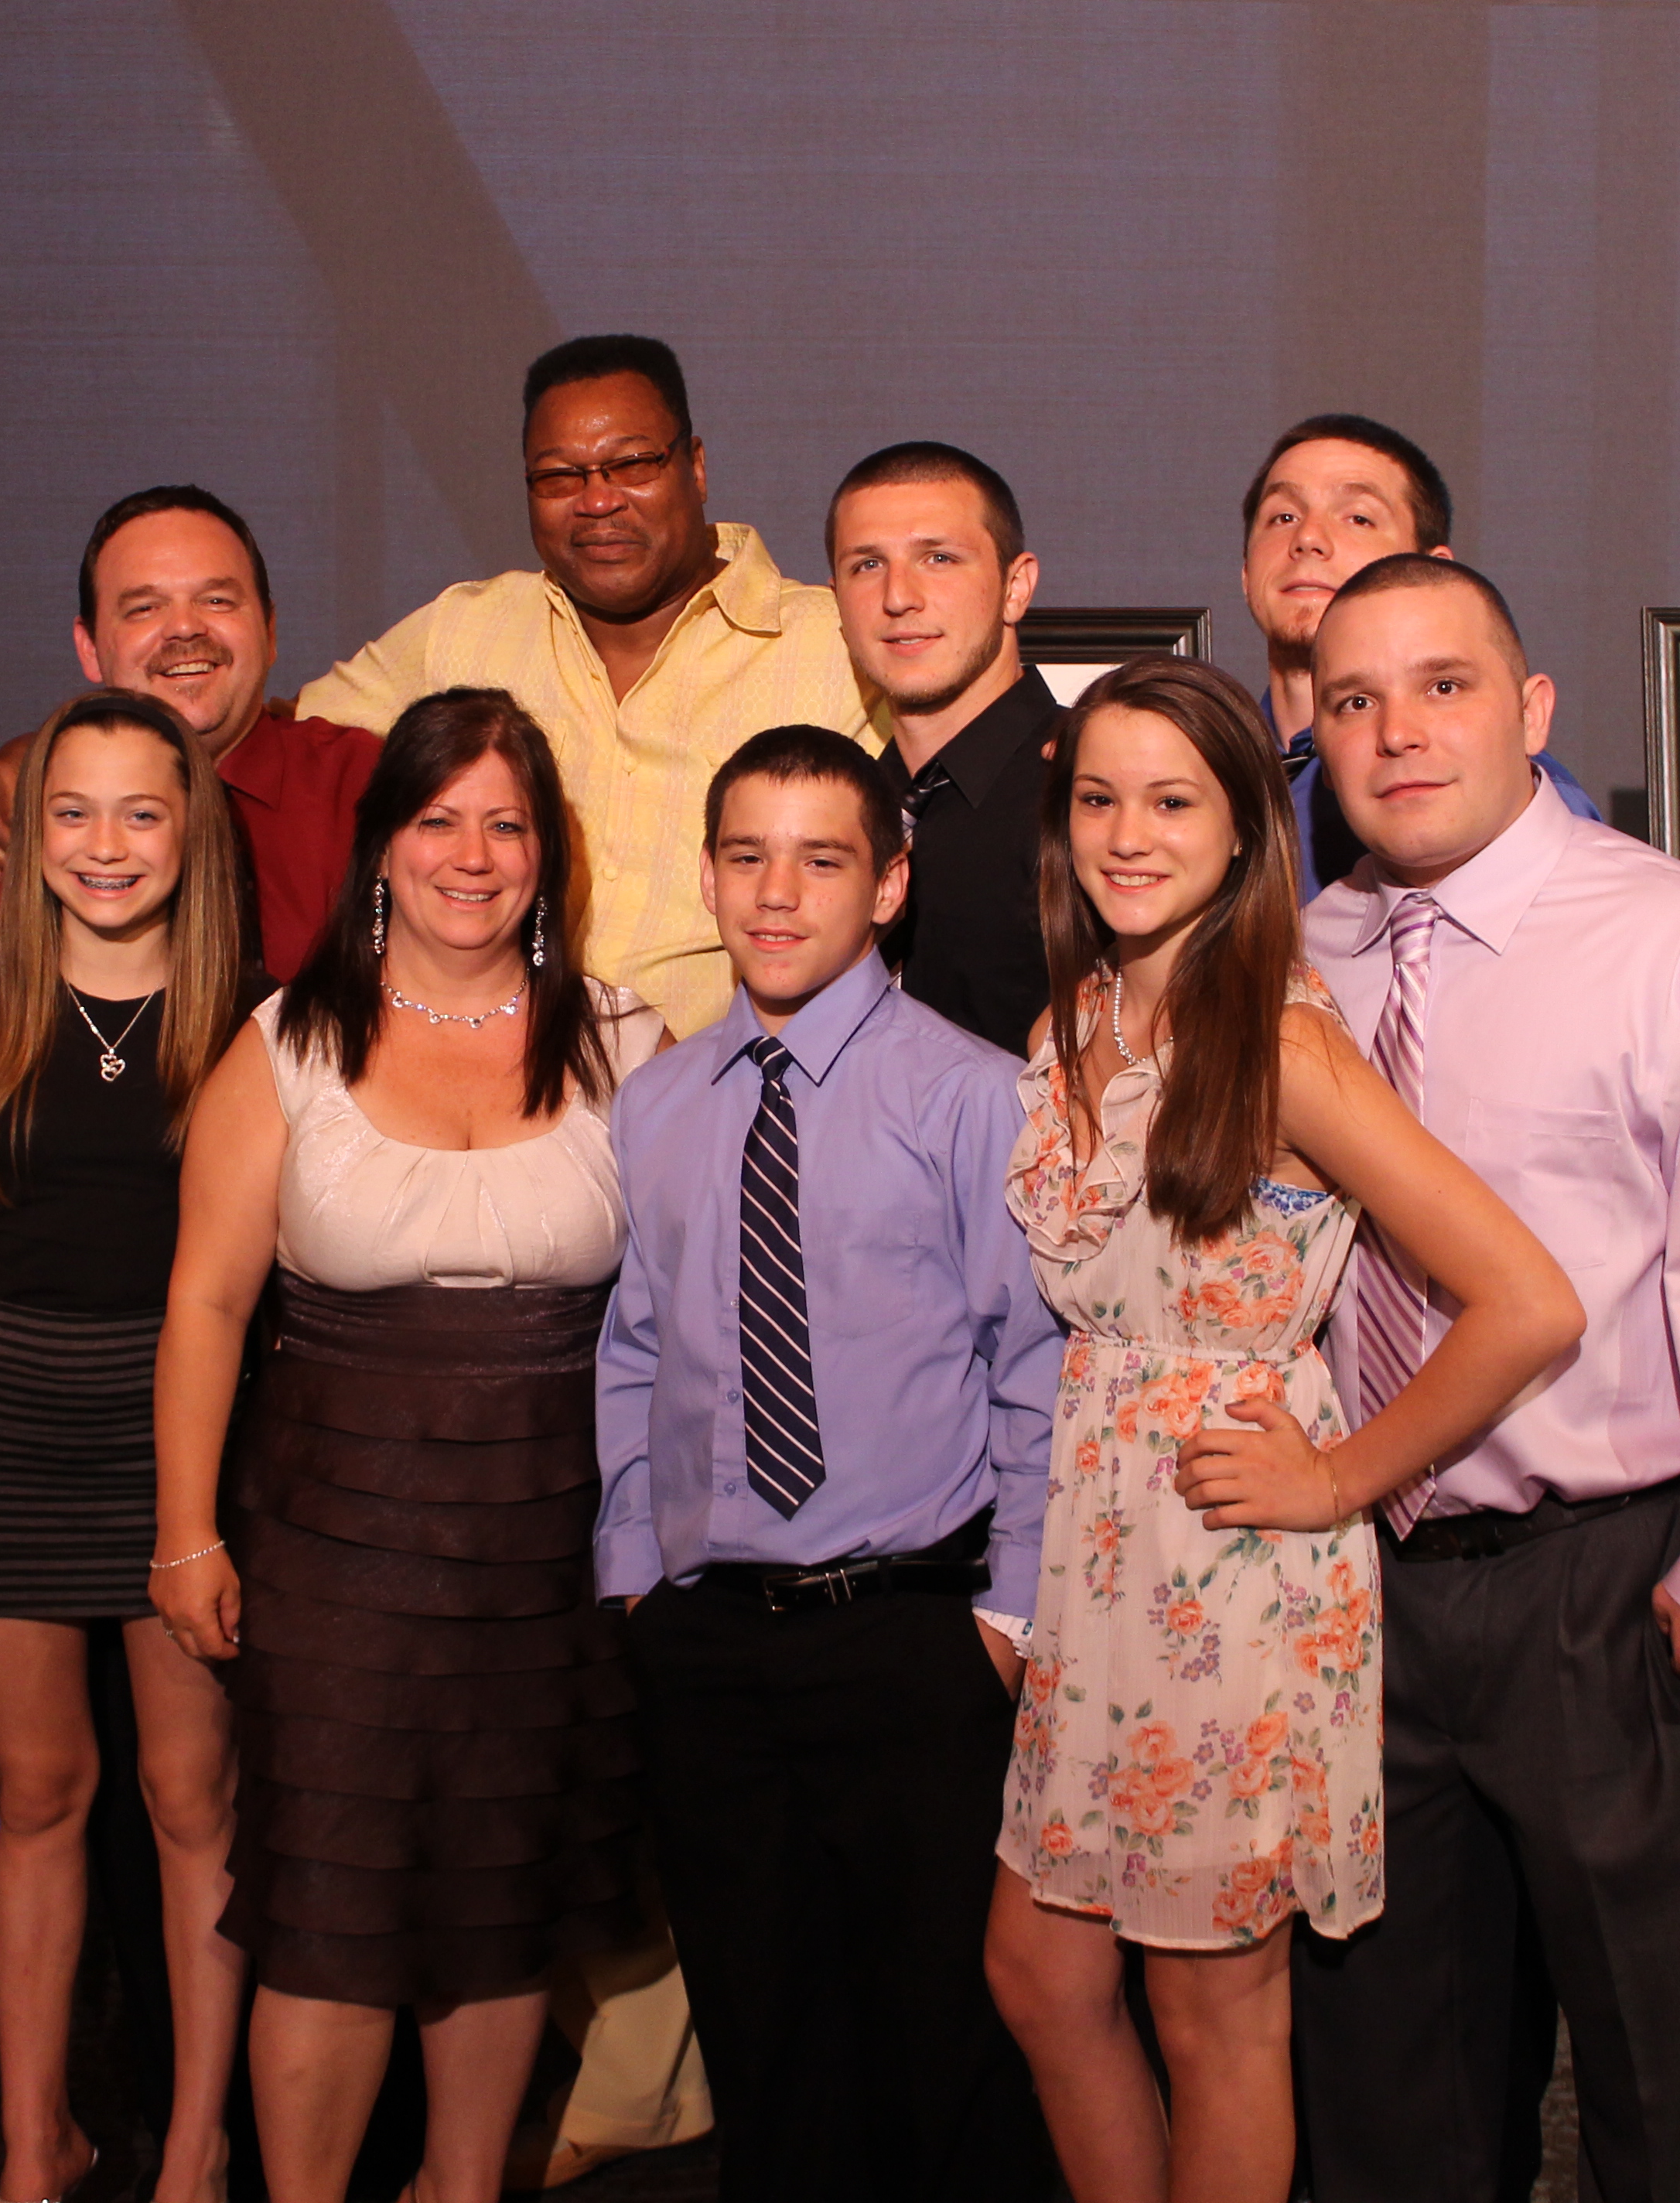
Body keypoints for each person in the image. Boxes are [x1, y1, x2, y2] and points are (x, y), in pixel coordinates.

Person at [983, 658, 1583, 2203]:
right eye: (1100, 797)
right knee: (1042, 1976)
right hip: (1098, 1566)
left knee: (1211, 2009)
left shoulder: (1286, 1041)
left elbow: (1527, 1297)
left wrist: (1338, 1477)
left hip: (1234, 1578)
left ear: (1249, 827)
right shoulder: (1077, 1011)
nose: (1128, 833)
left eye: (1172, 799)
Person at [1289, 555, 1680, 2203]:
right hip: (1368, 1589)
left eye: (1443, 684)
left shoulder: (1677, 941)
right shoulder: (1308, 951)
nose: (1398, 731)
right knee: (1392, 2080)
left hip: (1602, 1581)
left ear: (1532, 710)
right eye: (1354, 699)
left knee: (1668, 2082)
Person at [152, 688, 668, 2203]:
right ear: (382, 845)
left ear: (548, 852)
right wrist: (187, 1532)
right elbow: (202, 1303)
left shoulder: (630, 1038)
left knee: (499, 1893)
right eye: (439, 817)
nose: (473, 852)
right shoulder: (287, 1041)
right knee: (334, 1901)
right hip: (333, 1537)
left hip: (546, 1541)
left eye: (507, 822)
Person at [594, 724, 1059, 2202]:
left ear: (891, 881)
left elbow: (1038, 1365)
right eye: (746, 855)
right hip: (712, 1636)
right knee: (763, 2029)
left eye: (820, 857)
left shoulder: (974, 1093)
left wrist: (1008, 1619)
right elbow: (633, 1352)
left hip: (915, 1632)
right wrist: (635, 1581)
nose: (777, 893)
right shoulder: (659, 1103)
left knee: (945, 2040)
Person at [0, 689, 261, 2203]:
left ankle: (200, 2148)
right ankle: (36, 2146)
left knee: (189, 1799)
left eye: (140, 811)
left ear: (192, 829)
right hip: (12, 1429)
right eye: (72, 813)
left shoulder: (254, 1013)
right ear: (27, 841)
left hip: (186, 1436)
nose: (106, 844)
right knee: (40, 1793)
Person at [302, 333, 876, 1041]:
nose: (597, 501)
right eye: (559, 477)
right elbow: (289, 746)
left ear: (695, 468)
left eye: (632, 463)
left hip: (736, 1107)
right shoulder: (467, 629)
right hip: (490, 1096)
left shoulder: (833, 645)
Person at [0, 483, 381, 1276]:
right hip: (61, 1349)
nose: (185, 629)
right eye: (143, 607)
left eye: (217, 598)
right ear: (90, 648)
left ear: (272, 630)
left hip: (313, 1341)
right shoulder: (22, 845)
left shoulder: (375, 802)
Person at [1234, 414, 1597, 900]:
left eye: (1357, 517)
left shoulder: (1509, 793)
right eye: (1282, 517)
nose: (1307, 539)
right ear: (1245, 571)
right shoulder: (1208, 769)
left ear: (1432, 572)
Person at [828, 440, 1059, 1056]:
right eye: (867, 565)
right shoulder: (842, 809)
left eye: (939, 558)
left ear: (1016, 587)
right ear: (837, 605)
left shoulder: (1086, 785)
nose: (899, 597)